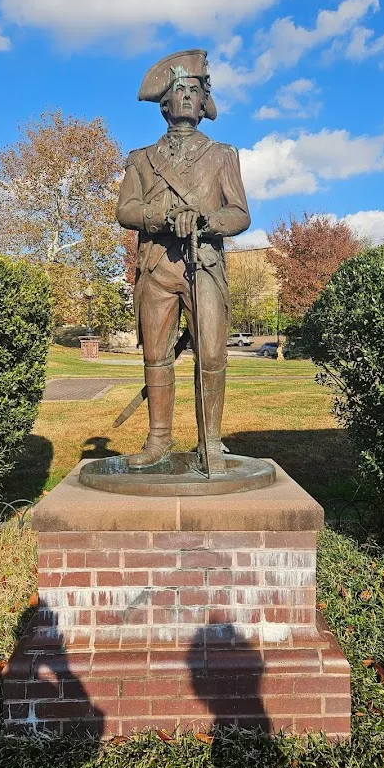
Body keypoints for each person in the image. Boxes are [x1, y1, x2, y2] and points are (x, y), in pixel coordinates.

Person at [116, 49, 250, 474]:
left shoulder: (223, 154)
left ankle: (210, 441)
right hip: (156, 268)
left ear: (203, 102)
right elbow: (126, 211)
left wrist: (206, 219)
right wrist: (163, 217)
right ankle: (158, 440)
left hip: (205, 266)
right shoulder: (140, 159)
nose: (188, 97)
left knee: (211, 356)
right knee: (155, 357)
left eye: (195, 90)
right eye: (180, 90)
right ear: (165, 104)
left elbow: (241, 214)